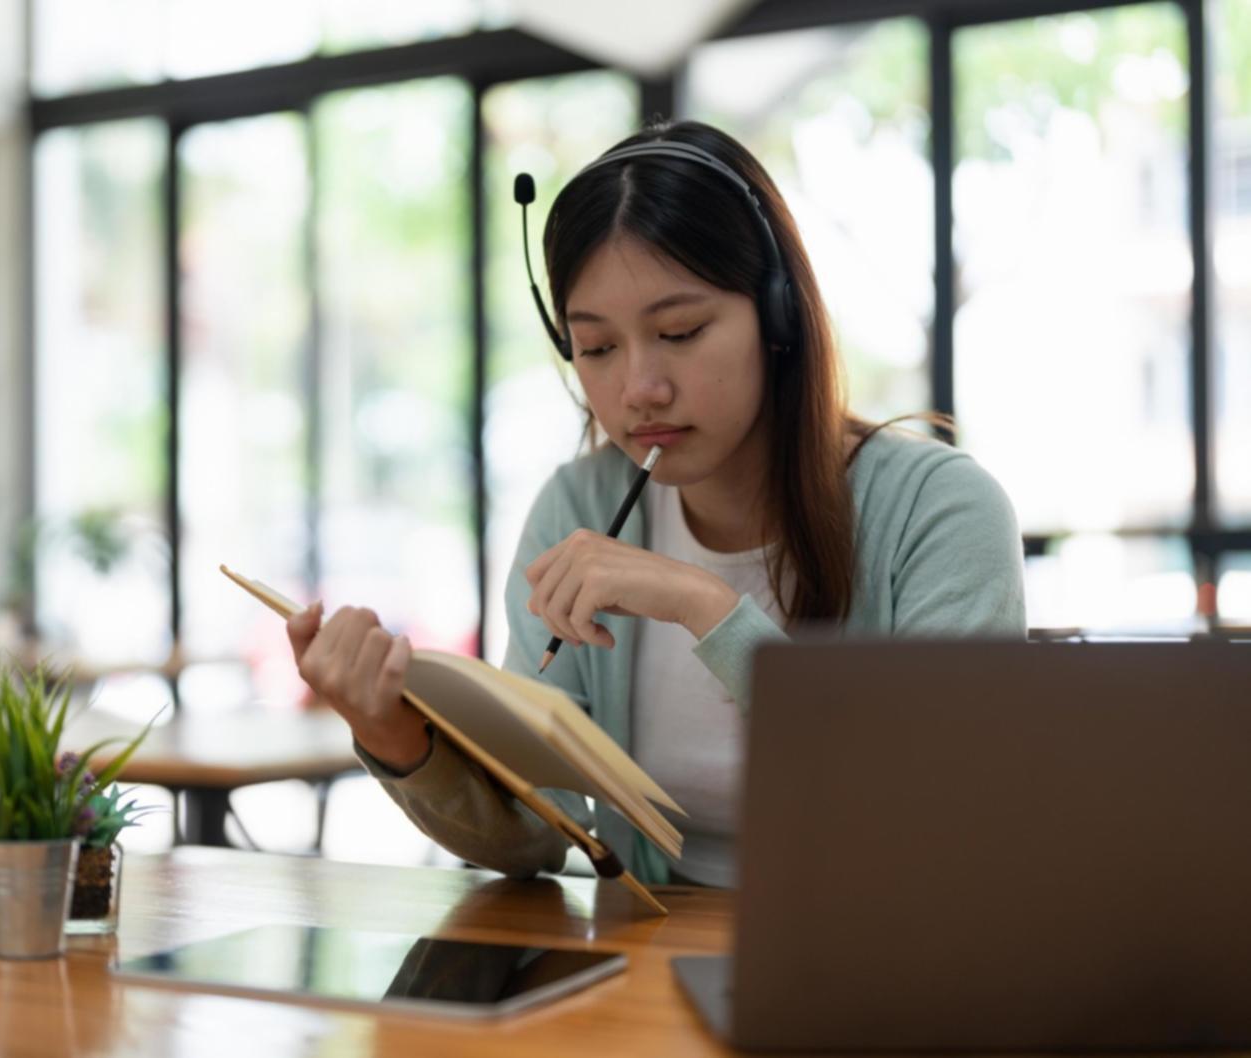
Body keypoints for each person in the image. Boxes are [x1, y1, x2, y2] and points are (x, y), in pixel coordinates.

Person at [285, 119, 1026, 888]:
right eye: (597, 349)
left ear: (778, 316)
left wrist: (704, 607)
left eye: (680, 331)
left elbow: (939, 819)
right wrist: (392, 731)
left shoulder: (941, 510)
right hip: (646, 964)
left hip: (866, 971)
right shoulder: (579, 504)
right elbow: (536, 835)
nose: (639, 388)